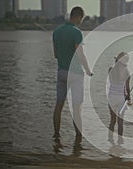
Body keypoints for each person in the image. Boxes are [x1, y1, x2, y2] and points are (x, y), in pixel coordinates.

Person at [52, 6, 93, 141]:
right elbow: (80, 56)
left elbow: (56, 55)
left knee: (59, 105)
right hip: (75, 74)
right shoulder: (77, 32)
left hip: (62, 72)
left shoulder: (56, 32)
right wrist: (88, 70)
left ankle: (56, 136)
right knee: (76, 107)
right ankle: (79, 138)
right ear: (79, 17)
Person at [108, 52, 131, 144]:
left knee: (112, 121)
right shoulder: (127, 72)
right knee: (120, 122)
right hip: (121, 98)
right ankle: (120, 141)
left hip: (111, 97)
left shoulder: (110, 69)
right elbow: (127, 89)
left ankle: (110, 140)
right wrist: (129, 98)